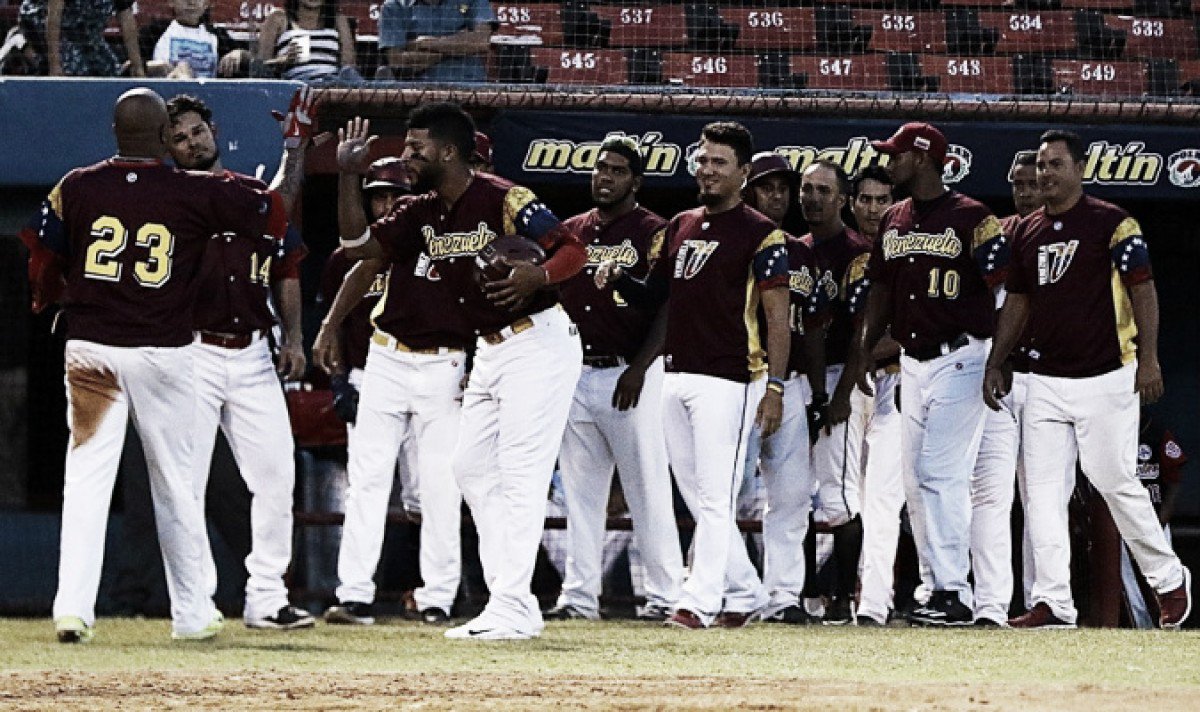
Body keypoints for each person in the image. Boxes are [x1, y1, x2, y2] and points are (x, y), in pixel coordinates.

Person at [26, 87, 288, 643]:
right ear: (165, 138)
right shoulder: (190, 189)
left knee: (87, 481)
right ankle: (192, 614)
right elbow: (272, 211)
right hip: (162, 353)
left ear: (115, 133)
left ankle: (72, 610)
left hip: (91, 347)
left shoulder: (76, 183)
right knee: (175, 485)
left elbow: (43, 253)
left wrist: (54, 295)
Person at [336, 103, 587, 640]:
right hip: (491, 350)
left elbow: (574, 249)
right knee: (470, 468)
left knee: (520, 475)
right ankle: (513, 600)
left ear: (448, 151)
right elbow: (357, 245)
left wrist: (537, 275)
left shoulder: (504, 197)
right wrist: (349, 176)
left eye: (414, 148)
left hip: (538, 341)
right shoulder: (422, 211)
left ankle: (510, 604)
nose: (404, 157)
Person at [983, 129, 1191, 630]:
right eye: (1041, 164)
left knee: (1115, 480)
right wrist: (998, 358)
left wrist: (1150, 358)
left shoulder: (1113, 223)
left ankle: (1169, 579)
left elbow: (1144, 290)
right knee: (1043, 494)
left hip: (1107, 376)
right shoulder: (1026, 231)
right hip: (1046, 379)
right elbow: (1018, 300)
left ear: (1079, 168)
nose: (1046, 173)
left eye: (1056, 164)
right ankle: (1054, 601)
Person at [601, 122, 791, 630]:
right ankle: (747, 591)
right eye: (703, 160)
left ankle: (699, 600)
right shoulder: (679, 225)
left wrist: (775, 386)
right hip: (675, 373)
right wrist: (621, 280)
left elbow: (777, 317)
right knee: (697, 495)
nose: (707, 170)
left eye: (719, 163)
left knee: (715, 497)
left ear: (743, 172)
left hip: (731, 378)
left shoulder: (762, 234)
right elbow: (656, 297)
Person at [163, 93, 313, 630]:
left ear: (213, 129)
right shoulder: (167, 198)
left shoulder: (252, 194)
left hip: (252, 351)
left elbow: (287, 259)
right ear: (166, 147)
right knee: (186, 481)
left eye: (196, 131)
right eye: (178, 138)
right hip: (190, 352)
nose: (191, 142)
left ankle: (267, 598)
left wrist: (294, 338)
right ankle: (196, 600)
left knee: (276, 476)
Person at [850, 122, 1009, 627]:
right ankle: (936, 588)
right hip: (913, 364)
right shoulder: (895, 218)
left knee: (941, 474)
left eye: (896, 155)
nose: (888, 161)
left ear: (922, 159)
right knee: (918, 484)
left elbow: (1007, 290)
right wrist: (863, 348)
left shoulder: (973, 218)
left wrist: (998, 358)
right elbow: (879, 287)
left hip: (962, 357)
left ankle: (953, 592)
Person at [315, 154, 468, 627]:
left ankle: (439, 595)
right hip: (383, 360)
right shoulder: (370, 246)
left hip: (443, 361)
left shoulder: (450, 231)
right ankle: (354, 594)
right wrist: (328, 331)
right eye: (378, 196)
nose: (386, 206)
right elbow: (356, 268)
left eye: (393, 196)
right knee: (367, 482)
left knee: (438, 486)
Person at [542, 135, 684, 623]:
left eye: (617, 171)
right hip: (576, 372)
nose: (605, 177)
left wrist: (641, 367)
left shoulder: (655, 231)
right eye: (600, 168)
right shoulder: (569, 232)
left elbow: (668, 305)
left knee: (647, 488)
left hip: (631, 371)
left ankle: (665, 595)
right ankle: (579, 598)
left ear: (636, 181)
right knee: (580, 493)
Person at [739, 151, 825, 625]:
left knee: (792, 499)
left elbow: (811, 328)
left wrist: (816, 393)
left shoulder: (802, 250)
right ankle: (724, 589)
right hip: (740, 381)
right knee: (722, 496)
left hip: (788, 385)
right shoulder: (735, 237)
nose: (776, 195)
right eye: (766, 186)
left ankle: (783, 596)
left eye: (782, 188)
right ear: (747, 187)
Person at [801, 159, 874, 625]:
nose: (813, 197)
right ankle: (807, 592)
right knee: (797, 497)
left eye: (824, 190)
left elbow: (863, 334)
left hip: (843, 379)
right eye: (807, 188)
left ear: (843, 200)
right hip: (801, 381)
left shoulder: (858, 252)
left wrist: (841, 393)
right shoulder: (794, 249)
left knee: (840, 498)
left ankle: (845, 597)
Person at [841, 166, 912, 627]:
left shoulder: (910, 250)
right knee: (847, 499)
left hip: (900, 382)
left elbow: (917, 326)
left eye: (882, 199)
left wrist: (868, 356)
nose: (873, 208)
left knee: (885, 498)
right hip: (854, 384)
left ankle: (874, 603)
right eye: (865, 199)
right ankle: (839, 596)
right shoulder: (851, 260)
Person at [1120, 407, 1187, 628]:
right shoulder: (1112, 434)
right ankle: (1142, 627)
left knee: (1164, 576)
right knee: (1130, 583)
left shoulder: (1156, 433)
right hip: (1122, 525)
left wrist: (1159, 523)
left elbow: (1174, 481)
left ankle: (1171, 626)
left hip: (1157, 521)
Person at [18, 0, 145, 76]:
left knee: (107, 72)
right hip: (43, 21)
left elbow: (126, 19)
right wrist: (55, 65)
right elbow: (53, 17)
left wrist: (137, 66)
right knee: (72, 69)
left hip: (85, 31)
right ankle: (19, 42)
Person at [377, 0, 494, 82]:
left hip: (471, 91)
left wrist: (422, 43)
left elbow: (481, 42)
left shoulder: (472, 1)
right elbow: (397, 60)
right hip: (416, 93)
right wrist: (460, 43)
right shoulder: (394, 6)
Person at [141, 0, 249, 78]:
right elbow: (129, 66)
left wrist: (240, 54)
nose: (191, 2)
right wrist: (150, 67)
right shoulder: (155, 31)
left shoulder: (216, 35)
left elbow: (253, 62)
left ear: (206, 4)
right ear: (171, 2)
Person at [258, 0, 356, 82]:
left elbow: (348, 65)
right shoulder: (278, 18)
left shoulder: (338, 20)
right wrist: (283, 60)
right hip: (299, 83)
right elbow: (260, 66)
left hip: (333, 83)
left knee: (351, 76)